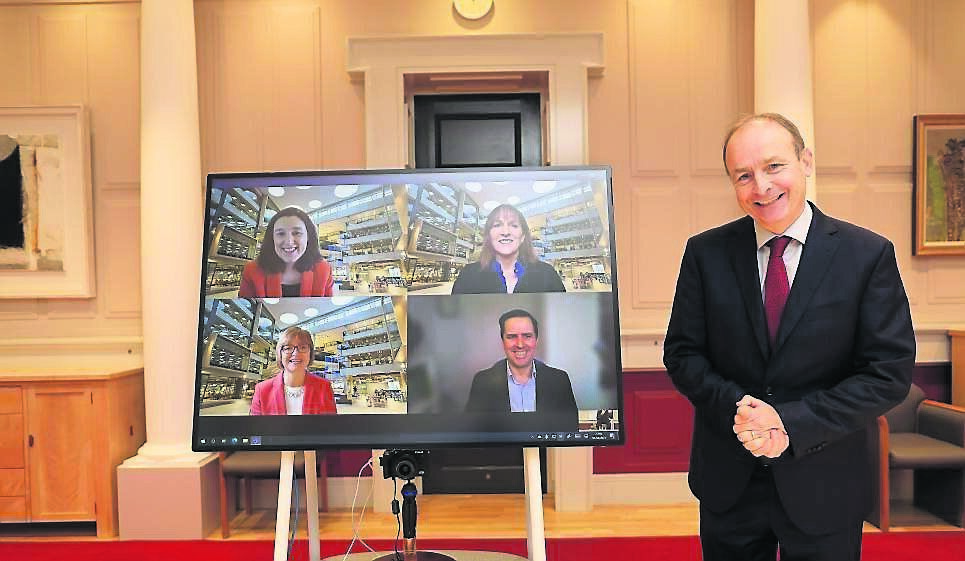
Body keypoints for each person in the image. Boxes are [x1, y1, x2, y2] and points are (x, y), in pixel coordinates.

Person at [663, 113, 915, 561]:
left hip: (825, 480)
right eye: (743, 175)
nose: (761, 187)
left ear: (806, 162)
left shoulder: (867, 254)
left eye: (774, 166)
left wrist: (789, 423)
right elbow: (683, 354)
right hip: (730, 480)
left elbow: (887, 374)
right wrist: (742, 410)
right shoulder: (705, 253)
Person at [465, 309, 578, 429]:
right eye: (512, 337)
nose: (520, 344)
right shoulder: (483, 381)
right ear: (503, 341)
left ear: (536, 340)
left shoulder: (559, 380)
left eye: (527, 336)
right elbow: (474, 432)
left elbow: (570, 430)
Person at [451, 203, 565, 294]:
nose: (505, 232)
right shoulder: (468, 275)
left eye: (514, 225)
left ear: (523, 236)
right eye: (497, 225)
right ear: (489, 236)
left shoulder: (547, 274)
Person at [239, 206, 333, 297]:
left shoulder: (324, 270)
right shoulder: (252, 270)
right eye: (281, 233)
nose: (289, 241)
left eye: (296, 233)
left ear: (308, 236)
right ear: (272, 238)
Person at [250, 326, 337, 415]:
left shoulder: (324, 387)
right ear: (280, 353)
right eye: (288, 348)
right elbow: (255, 424)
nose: (296, 353)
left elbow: (331, 423)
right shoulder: (262, 390)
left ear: (310, 353)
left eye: (303, 347)